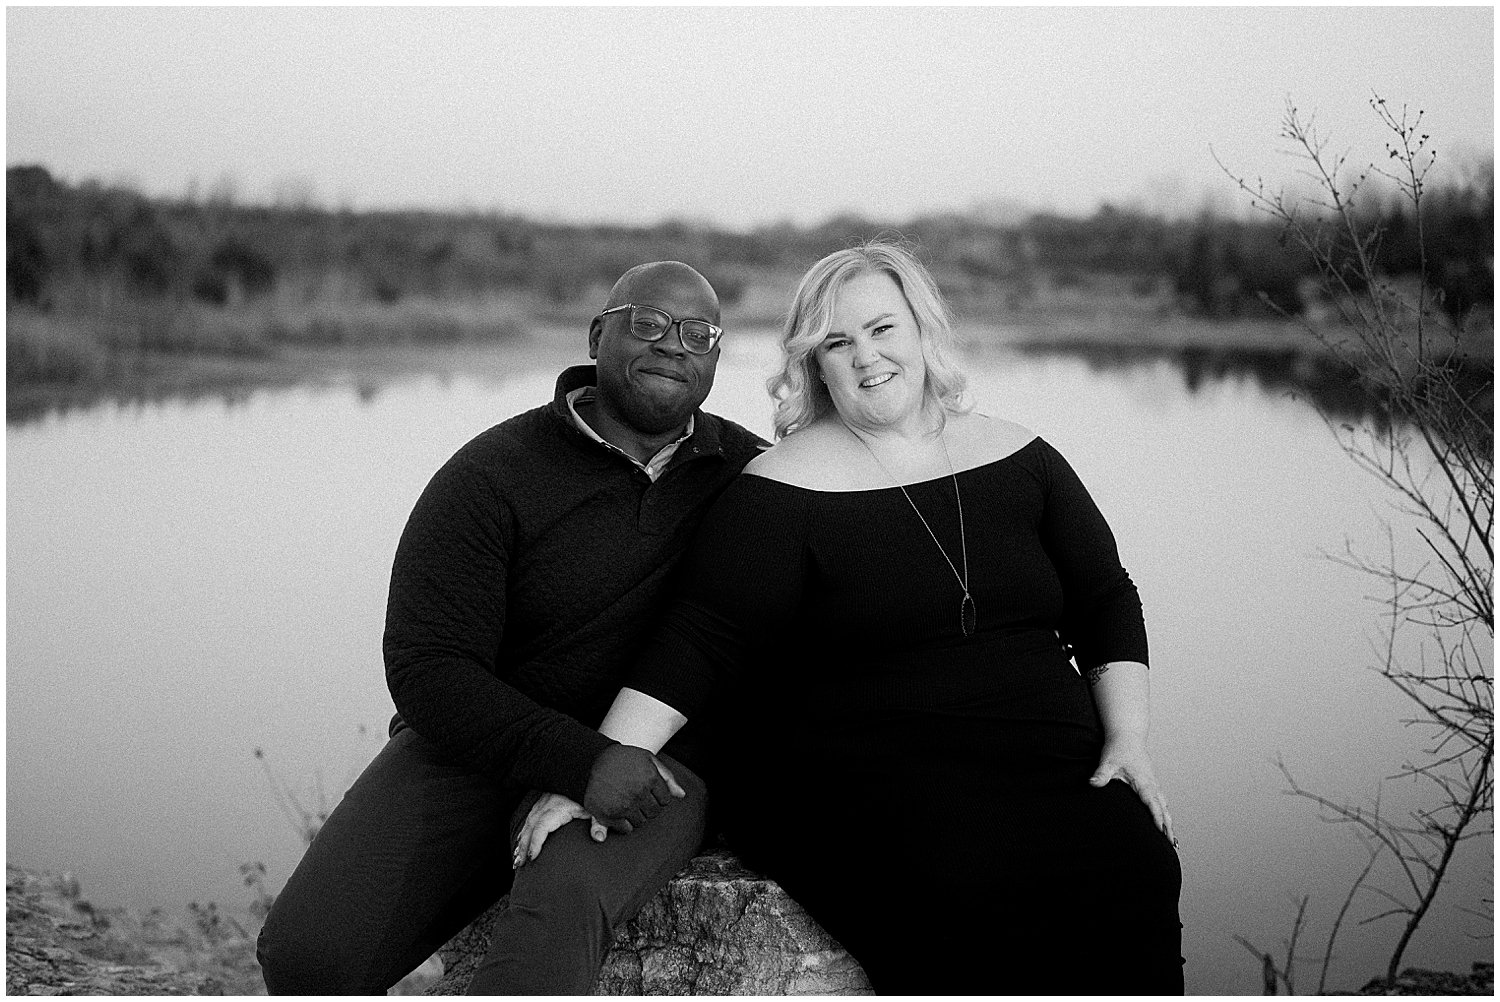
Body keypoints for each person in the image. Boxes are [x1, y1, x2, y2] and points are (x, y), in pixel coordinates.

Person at [520, 241, 1185, 993]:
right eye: (838, 343)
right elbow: (699, 644)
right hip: (869, 771)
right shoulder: (780, 489)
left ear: (923, 331)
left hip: (1046, 754)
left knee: (1136, 859)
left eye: (882, 329)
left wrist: (1129, 739)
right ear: (815, 364)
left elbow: (1106, 596)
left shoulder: (1023, 456)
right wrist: (594, 770)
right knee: (967, 885)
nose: (866, 358)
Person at [255, 261, 766, 994]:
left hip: (654, 765)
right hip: (478, 749)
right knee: (310, 958)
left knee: (547, 935)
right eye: (647, 324)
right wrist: (576, 762)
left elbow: (779, 636)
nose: (672, 346)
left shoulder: (748, 475)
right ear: (598, 335)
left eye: (698, 333)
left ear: (716, 356)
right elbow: (428, 665)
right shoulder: (494, 473)